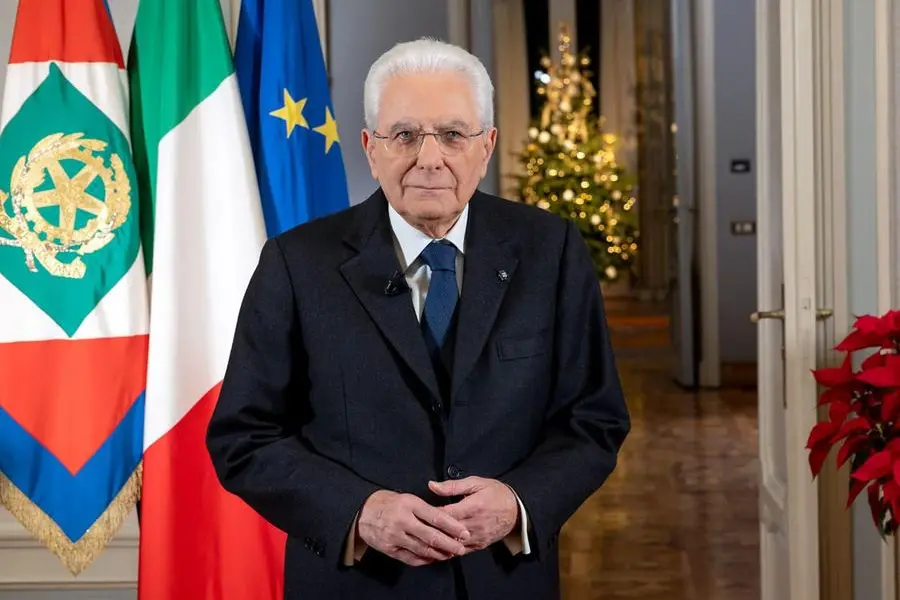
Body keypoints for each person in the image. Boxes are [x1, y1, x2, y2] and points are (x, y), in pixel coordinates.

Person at [206, 37, 630, 600]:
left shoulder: (551, 250)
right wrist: (360, 512)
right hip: (356, 585)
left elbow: (594, 419)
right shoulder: (296, 263)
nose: (429, 158)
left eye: (453, 134)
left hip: (504, 582)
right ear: (370, 148)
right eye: (404, 135)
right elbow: (244, 436)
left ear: (486, 146)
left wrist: (518, 502)